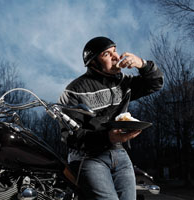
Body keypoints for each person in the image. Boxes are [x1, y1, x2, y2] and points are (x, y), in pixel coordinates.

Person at [58, 36, 164, 200]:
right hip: (88, 157)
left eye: (115, 51)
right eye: (107, 54)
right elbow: (69, 136)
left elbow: (155, 83)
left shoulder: (124, 83)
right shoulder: (74, 91)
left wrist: (142, 64)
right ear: (93, 63)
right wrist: (108, 136)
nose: (116, 57)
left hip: (119, 153)